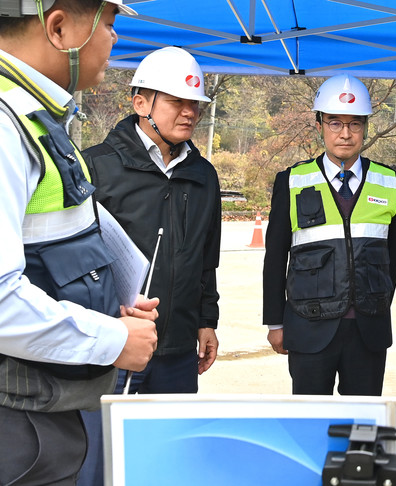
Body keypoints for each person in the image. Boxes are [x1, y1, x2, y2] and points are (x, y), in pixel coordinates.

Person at [0, 1, 159, 484]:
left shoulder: (32, 117)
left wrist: (109, 307)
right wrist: (112, 339)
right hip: (19, 422)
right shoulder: (5, 126)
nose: (115, 38)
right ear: (59, 27)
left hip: (40, 403)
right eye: (108, 23)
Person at [77, 47, 221, 484]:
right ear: (141, 103)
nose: (189, 112)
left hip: (177, 351)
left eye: (195, 104)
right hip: (114, 349)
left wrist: (207, 321)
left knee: (170, 465)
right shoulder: (96, 166)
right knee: (102, 465)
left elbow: (206, 258)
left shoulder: (203, 175)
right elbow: (75, 262)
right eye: (177, 101)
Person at [262, 74, 396, 396]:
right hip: (309, 327)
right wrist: (275, 323)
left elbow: (395, 255)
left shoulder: (389, 181)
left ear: (365, 127)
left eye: (355, 124)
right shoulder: (291, 181)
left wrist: (377, 300)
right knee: (311, 418)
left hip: (368, 330)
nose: (345, 133)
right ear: (319, 126)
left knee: (362, 420)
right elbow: (275, 257)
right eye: (335, 123)